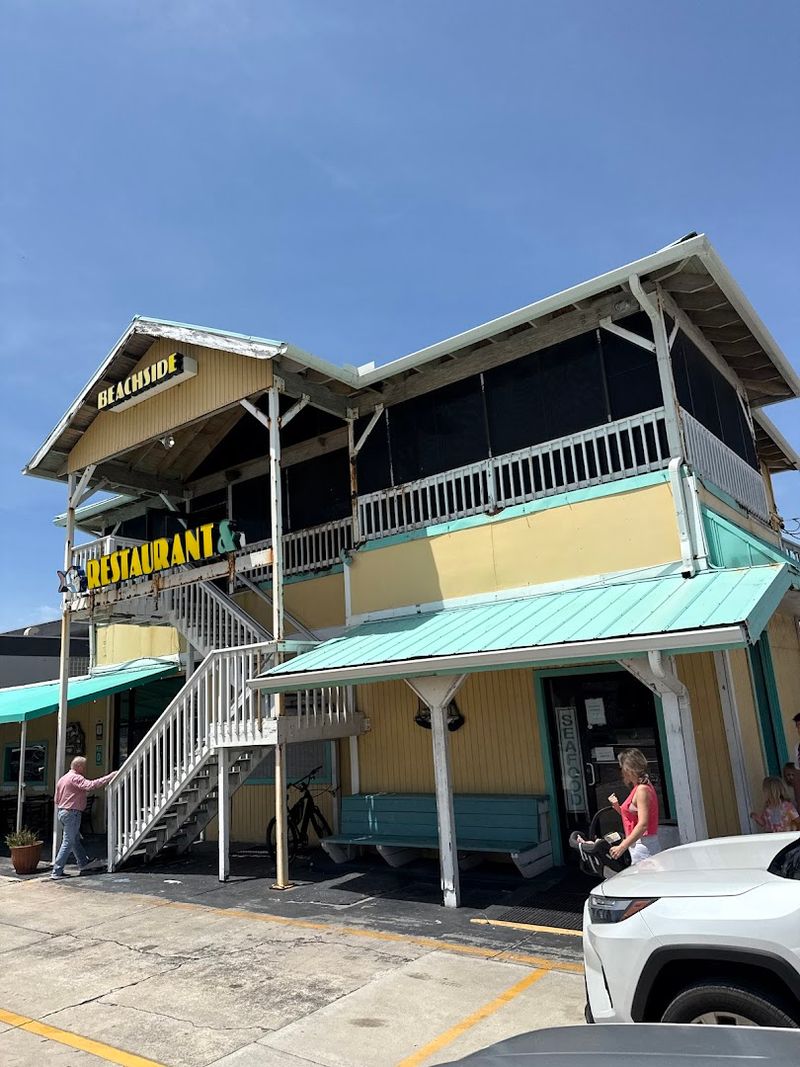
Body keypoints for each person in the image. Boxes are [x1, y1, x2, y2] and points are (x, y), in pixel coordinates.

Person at [51, 756, 116, 880]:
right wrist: (109, 776)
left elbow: (57, 799)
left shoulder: (63, 779)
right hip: (72, 813)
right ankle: (56, 871)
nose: (85, 769)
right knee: (68, 842)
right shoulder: (76, 777)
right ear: (79, 767)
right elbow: (90, 785)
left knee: (74, 840)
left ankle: (83, 863)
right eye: (84, 767)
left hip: (62, 812)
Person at [608, 748, 660, 864]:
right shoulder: (639, 788)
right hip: (638, 844)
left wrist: (622, 847)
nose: (621, 772)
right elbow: (633, 818)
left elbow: (643, 825)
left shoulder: (642, 790)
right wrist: (617, 807)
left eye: (622, 768)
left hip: (643, 846)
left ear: (628, 769)